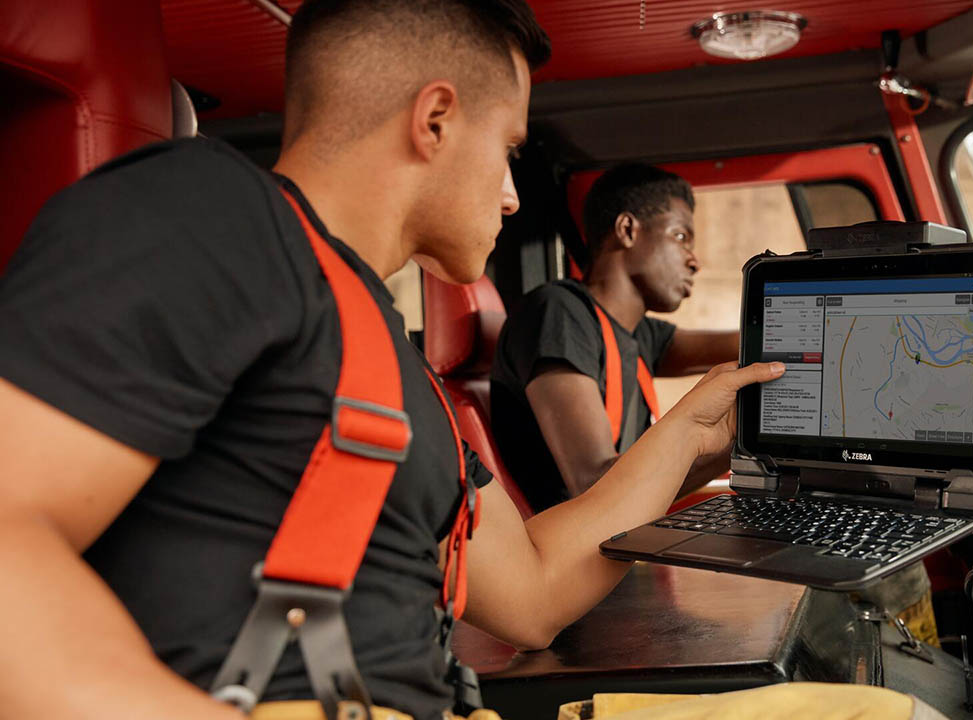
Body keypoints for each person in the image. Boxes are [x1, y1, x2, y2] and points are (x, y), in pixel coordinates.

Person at [0, 1, 784, 718]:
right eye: (507, 149)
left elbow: (536, 590)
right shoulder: (204, 215)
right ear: (435, 119)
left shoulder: (383, 355)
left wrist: (689, 436)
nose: (512, 196)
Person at [490, 165, 739, 512]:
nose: (695, 261)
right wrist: (740, 440)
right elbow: (594, 488)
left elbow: (750, 344)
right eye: (681, 237)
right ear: (627, 230)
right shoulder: (559, 313)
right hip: (562, 555)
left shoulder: (640, 334)